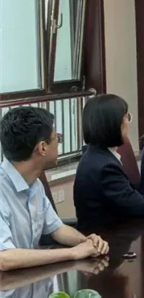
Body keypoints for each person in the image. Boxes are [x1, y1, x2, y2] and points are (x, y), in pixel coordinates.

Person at [0, 107, 109, 271]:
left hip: (29, 278)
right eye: (57, 138)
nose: (59, 143)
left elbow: (57, 229)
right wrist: (72, 253)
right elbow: (4, 258)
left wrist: (87, 242)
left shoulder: (34, 183)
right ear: (42, 147)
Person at [74, 94, 144, 233]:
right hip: (108, 237)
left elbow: (124, 199)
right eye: (126, 117)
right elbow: (137, 207)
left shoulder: (96, 156)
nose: (128, 123)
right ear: (114, 123)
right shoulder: (105, 167)